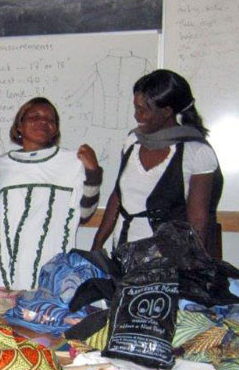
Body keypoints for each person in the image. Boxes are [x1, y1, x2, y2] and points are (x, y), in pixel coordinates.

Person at [92, 69, 223, 252]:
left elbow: (198, 222)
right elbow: (118, 195)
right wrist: (98, 243)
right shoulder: (133, 141)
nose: (137, 116)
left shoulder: (196, 152)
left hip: (167, 260)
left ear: (167, 112)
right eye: (135, 108)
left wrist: (190, 269)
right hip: (124, 251)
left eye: (143, 110)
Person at [0, 97, 102, 290]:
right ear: (19, 125)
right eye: (34, 116)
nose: (43, 122)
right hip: (11, 277)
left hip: (55, 275)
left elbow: (85, 215)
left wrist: (93, 173)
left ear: (55, 129)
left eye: (50, 119)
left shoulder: (71, 163)